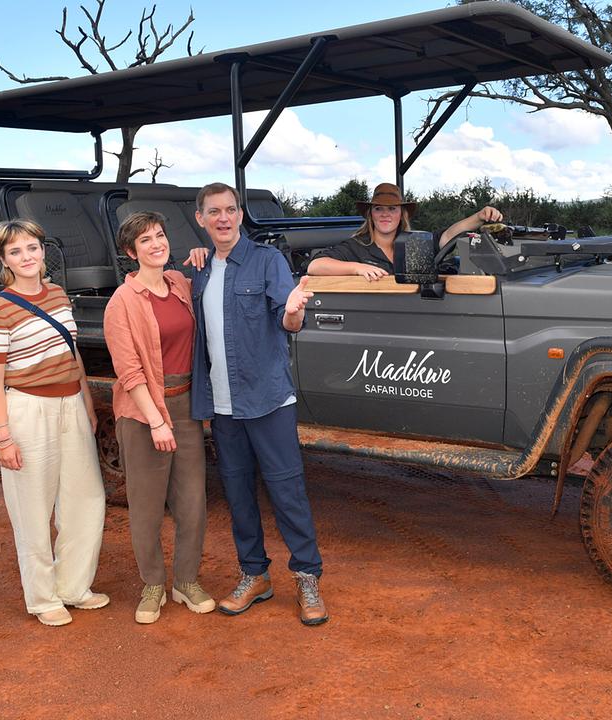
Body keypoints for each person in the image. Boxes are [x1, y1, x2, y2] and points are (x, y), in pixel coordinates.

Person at [190, 182, 329, 626]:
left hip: (268, 400)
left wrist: (294, 309)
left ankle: (306, 577)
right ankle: (255, 575)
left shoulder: (268, 261)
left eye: (231, 210)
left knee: (287, 492)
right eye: (215, 212)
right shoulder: (199, 270)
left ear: (240, 215)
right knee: (237, 494)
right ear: (201, 219)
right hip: (223, 405)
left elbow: (288, 321)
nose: (224, 218)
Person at [0, 220, 108, 627]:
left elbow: (73, 353)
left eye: (32, 248)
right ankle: (42, 597)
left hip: (71, 403)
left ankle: (73, 586)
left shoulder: (58, 295)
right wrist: (3, 437)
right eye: (15, 251)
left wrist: (86, 402)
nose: (26, 257)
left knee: (86, 499)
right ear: (3, 260)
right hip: (27, 408)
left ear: (43, 250)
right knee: (32, 508)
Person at [104, 211, 214, 625]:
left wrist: (203, 253)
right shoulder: (122, 301)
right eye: (146, 240)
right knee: (147, 506)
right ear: (131, 252)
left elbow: (212, 276)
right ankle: (152, 584)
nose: (157, 244)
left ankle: (186, 581)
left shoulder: (180, 284)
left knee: (192, 502)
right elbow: (129, 371)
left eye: (160, 235)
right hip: (143, 411)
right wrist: (155, 421)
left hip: (186, 405)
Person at [305, 182, 503, 280]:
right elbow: (315, 266)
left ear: (401, 214)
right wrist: (357, 268)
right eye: (378, 208)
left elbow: (450, 235)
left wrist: (479, 216)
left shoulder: (415, 243)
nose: (385, 214)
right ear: (371, 214)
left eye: (392, 209)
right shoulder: (357, 246)